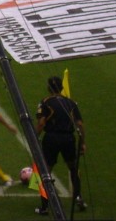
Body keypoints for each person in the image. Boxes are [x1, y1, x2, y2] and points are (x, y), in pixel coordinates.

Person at [34, 76, 86, 215]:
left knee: (45, 172)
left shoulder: (45, 102)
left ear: (49, 88)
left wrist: (34, 137)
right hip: (68, 139)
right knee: (73, 169)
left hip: (51, 139)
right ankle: (79, 197)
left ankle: (44, 207)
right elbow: (80, 125)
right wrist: (82, 143)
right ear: (61, 88)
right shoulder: (71, 103)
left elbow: (41, 123)